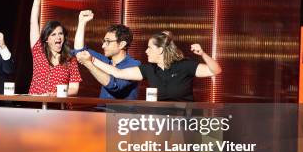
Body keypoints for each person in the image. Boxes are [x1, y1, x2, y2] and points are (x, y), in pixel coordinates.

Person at [76, 30, 221, 101]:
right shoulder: (148, 69)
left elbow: (215, 70)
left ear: (160, 49)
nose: (146, 51)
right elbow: (118, 73)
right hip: (159, 123)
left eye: (149, 48)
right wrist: (91, 61)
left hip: (185, 123)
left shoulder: (184, 65)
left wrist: (202, 54)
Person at [28, 0, 81, 95]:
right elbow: (33, 22)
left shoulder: (70, 59)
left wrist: (55, 94)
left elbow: (74, 88)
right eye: (53, 34)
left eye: (60, 34)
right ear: (46, 39)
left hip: (59, 109)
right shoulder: (38, 51)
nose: (58, 37)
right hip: (36, 107)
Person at [73, 10, 140, 99]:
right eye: (104, 41)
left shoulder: (134, 65)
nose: (103, 45)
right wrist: (82, 22)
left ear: (122, 44)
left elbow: (114, 85)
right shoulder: (105, 60)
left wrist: (89, 64)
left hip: (121, 112)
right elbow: (79, 51)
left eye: (108, 42)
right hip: (101, 111)